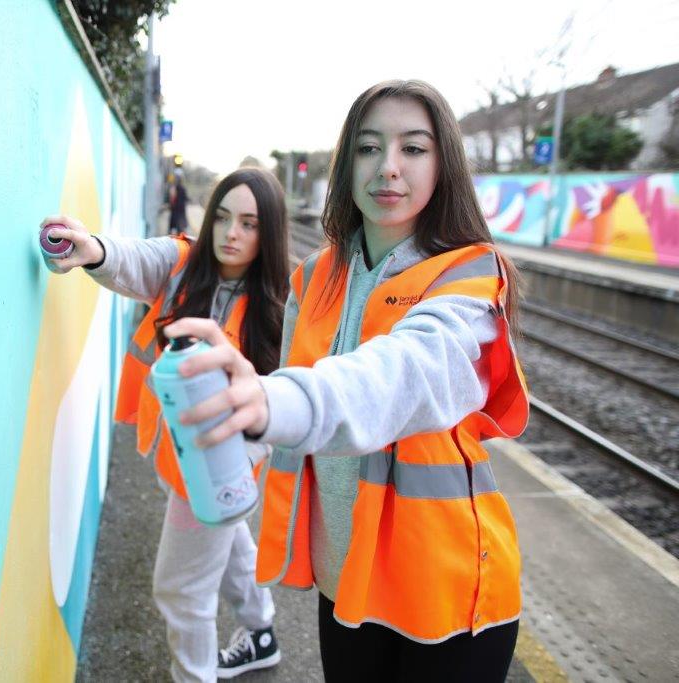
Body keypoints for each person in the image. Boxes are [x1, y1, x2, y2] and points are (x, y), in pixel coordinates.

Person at [164, 80, 529, 682]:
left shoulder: (468, 274)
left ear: (445, 166)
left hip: (442, 592)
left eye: (413, 149)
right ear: (346, 163)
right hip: (346, 582)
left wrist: (269, 398)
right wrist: (230, 438)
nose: (387, 168)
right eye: (367, 148)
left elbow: (403, 375)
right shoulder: (317, 275)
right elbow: (284, 404)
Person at [39, 167, 291, 682]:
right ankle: (260, 631)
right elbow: (137, 258)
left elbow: (282, 399)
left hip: (216, 472)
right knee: (233, 538)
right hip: (184, 459)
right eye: (222, 217)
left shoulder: (278, 310)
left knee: (180, 589)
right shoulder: (185, 264)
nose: (230, 233)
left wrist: (239, 464)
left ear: (269, 234)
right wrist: (94, 249)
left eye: (248, 223)